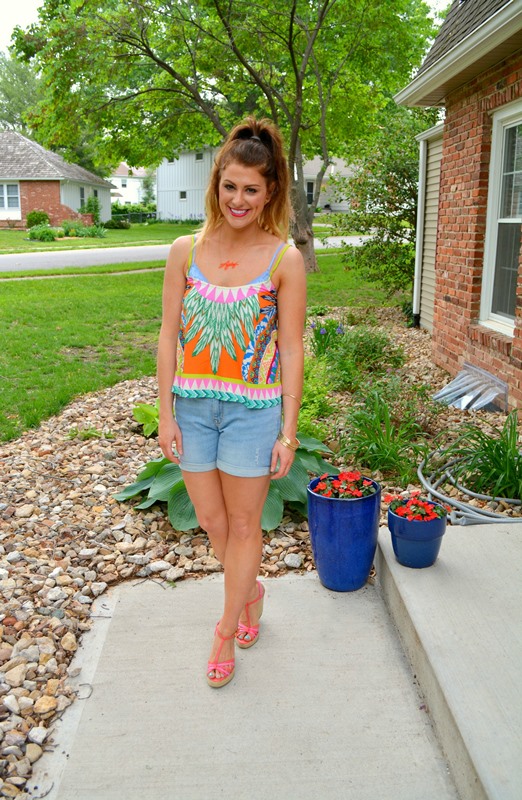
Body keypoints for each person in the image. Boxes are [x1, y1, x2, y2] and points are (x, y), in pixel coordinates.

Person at [157, 116, 306, 688]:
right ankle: (251, 587)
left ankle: (225, 628)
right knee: (214, 522)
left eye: (252, 188)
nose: (238, 199)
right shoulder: (184, 251)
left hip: (253, 413)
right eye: (230, 185)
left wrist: (287, 432)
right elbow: (168, 334)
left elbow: (291, 349)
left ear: (270, 193)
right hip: (193, 409)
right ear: (216, 183)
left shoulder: (282, 260)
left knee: (245, 526)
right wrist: (165, 413)